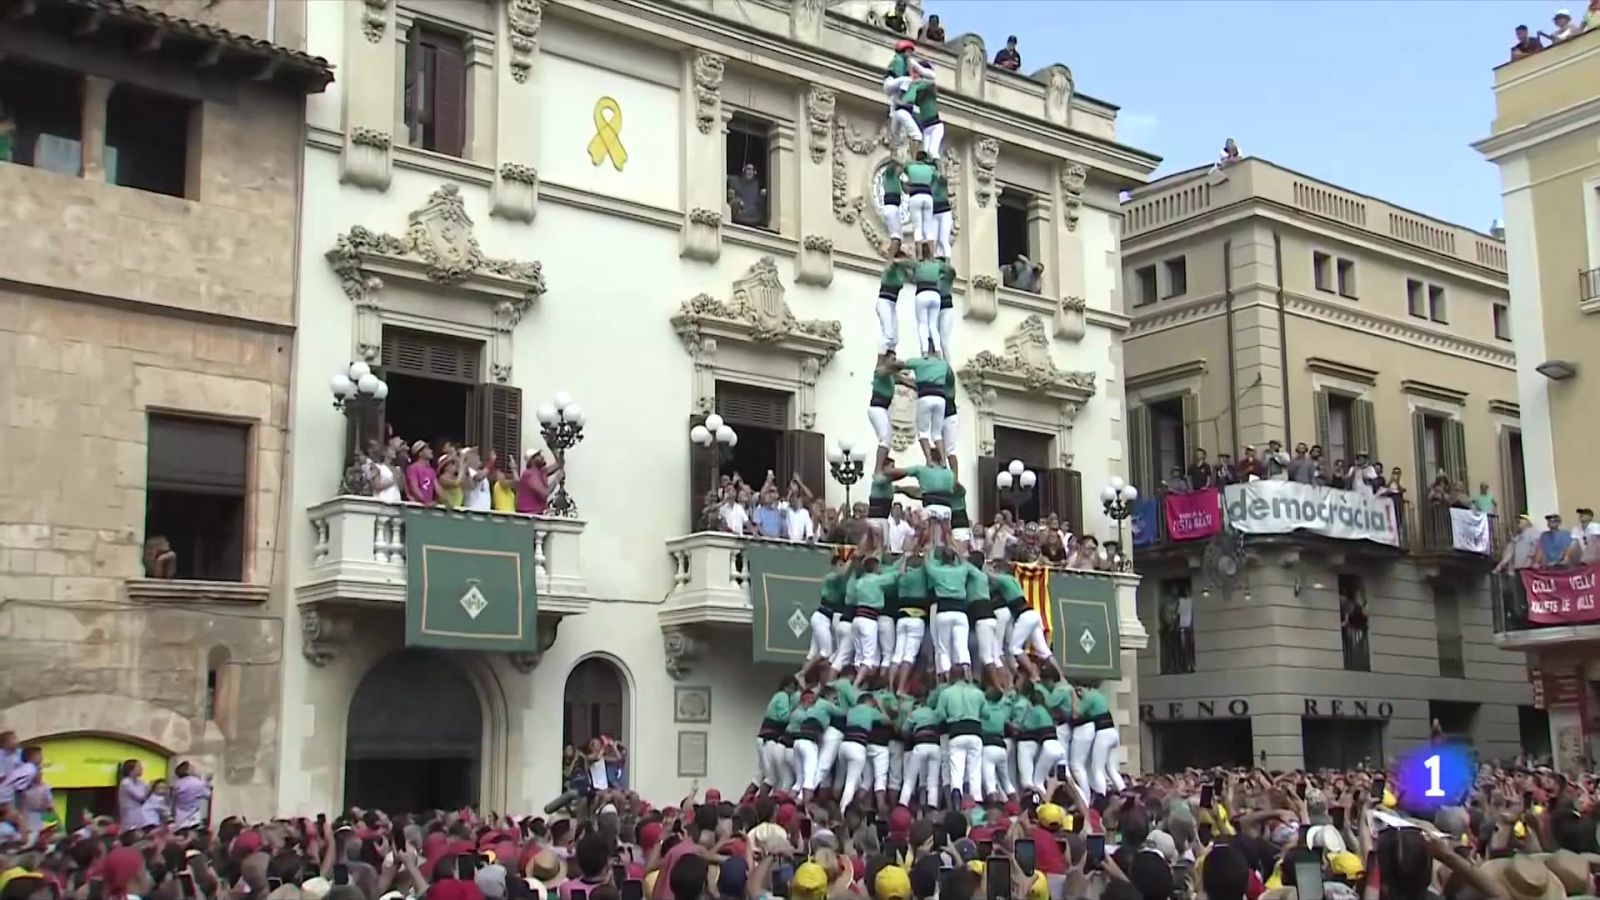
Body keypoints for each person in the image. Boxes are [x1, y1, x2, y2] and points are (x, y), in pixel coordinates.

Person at [934, 677, 984, 808]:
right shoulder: (977, 693)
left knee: (956, 770)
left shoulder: (946, 693)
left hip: (956, 731)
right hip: (975, 731)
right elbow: (986, 713)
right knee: (974, 770)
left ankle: (957, 801)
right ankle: (976, 801)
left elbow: (940, 714)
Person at [1078, 681, 1124, 798]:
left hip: (1103, 733)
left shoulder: (1088, 697)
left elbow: (1077, 713)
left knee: (1097, 769)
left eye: (1079, 690)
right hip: (1113, 732)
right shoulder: (1101, 695)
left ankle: (1101, 798)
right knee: (1111, 768)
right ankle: (1124, 792)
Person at [875, 259, 913, 358]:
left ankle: (890, 357)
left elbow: (914, 274)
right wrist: (903, 261)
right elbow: (893, 263)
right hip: (884, 302)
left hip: (891, 304)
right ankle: (880, 362)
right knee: (888, 334)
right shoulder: (891, 269)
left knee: (894, 339)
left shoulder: (902, 272)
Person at [904, 71, 943, 162]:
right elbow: (909, 99)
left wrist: (918, 82)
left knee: (932, 152)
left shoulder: (930, 92)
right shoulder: (919, 97)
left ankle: (939, 171)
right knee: (925, 153)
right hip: (927, 128)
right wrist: (914, 86)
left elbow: (931, 83)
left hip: (936, 126)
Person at [170, 761, 211, 829]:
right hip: (192, 816)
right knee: (191, 835)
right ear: (188, 770)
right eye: (192, 767)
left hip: (179, 817)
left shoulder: (177, 783)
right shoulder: (196, 782)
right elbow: (208, 794)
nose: (195, 769)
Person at [935, 250, 958, 364]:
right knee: (934, 341)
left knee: (944, 342)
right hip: (935, 309)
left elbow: (952, 272)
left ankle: (947, 366)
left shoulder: (947, 275)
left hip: (946, 308)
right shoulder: (933, 276)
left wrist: (943, 264)